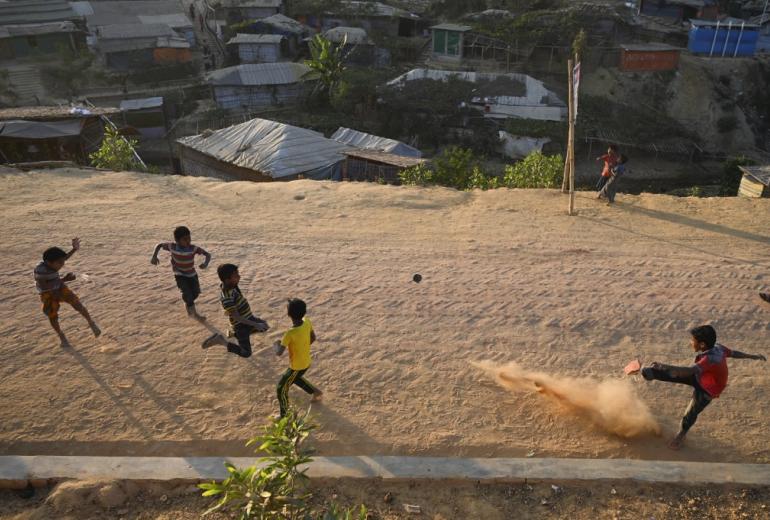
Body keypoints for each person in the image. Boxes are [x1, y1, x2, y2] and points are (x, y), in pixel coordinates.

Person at [641, 325, 766, 450]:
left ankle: (681, 435)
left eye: (692, 340)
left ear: (702, 345)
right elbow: (734, 353)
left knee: (690, 413)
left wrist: (664, 365)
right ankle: (650, 373)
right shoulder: (719, 347)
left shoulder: (710, 358)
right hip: (701, 376)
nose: (690, 342)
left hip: (708, 389)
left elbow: (690, 371)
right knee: (672, 372)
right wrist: (753, 356)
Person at [34, 238, 101, 348]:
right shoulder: (41, 272)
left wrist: (74, 249)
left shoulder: (51, 263)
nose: (62, 264)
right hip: (48, 293)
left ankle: (91, 323)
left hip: (59, 286)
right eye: (59, 262)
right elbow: (47, 287)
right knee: (53, 316)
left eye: (62, 262)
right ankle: (61, 336)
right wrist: (65, 279)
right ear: (48, 263)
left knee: (77, 303)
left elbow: (64, 258)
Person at [202, 264, 269, 357]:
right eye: (236, 275)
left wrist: (255, 323)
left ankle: (234, 334)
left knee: (265, 326)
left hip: (248, 318)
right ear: (227, 279)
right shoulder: (226, 297)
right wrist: (255, 324)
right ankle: (221, 341)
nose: (239, 276)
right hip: (240, 326)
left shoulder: (231, 286)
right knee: (246, 353)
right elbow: (236, 317)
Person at [273, 298, 323, 417]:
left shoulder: (289, 333)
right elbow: (313, 338)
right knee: (295, 378)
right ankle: (316, 392)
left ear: (288, 314)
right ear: (304, 312)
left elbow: (279, 352)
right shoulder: (307, 321)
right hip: (306, 361)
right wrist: (303, 347)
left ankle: (284, 415)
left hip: (297, 366)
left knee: (281, 388)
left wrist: (275, 345)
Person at [150, 226, 211, 321]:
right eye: (185, 239)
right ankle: (194, 314)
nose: (188, 241)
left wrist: (205, 263)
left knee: (196, 293)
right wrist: (154, 256)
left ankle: (188, 303)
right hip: (179, 275)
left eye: (189, 238)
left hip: (192, 275)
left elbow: (207, 254)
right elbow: (159, 245)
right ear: (177, 240)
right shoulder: (172, 246)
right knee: (187, 294)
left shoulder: (193, 248)